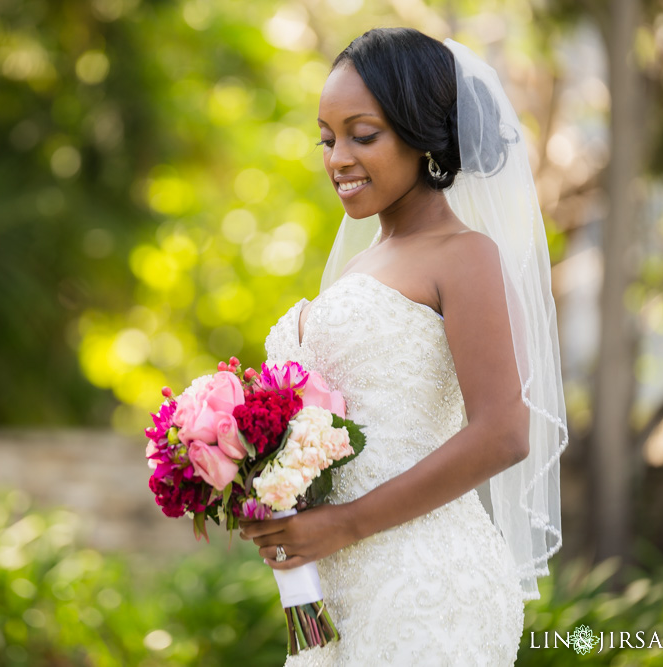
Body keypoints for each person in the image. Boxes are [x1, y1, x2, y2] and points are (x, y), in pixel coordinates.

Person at [239, 28, 567, 665]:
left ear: (424, 134)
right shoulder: (360, 268)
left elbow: (504, 432)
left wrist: (344, 523)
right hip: (340, 587)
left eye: (363, 135)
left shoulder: (466, 255)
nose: (338, 158)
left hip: (427, 583)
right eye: (327, 138)